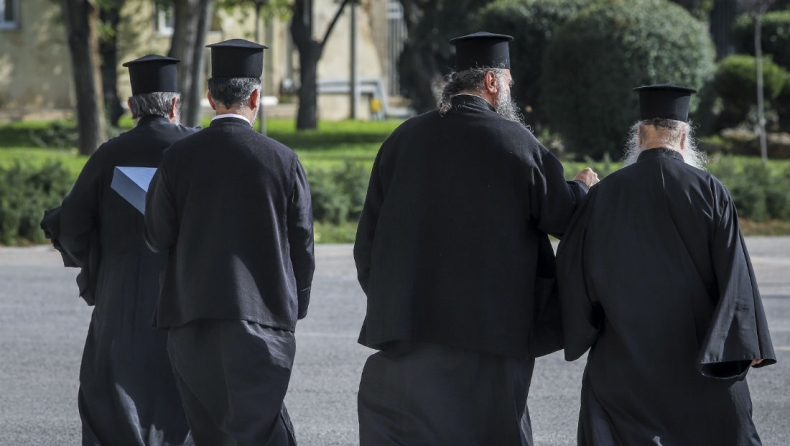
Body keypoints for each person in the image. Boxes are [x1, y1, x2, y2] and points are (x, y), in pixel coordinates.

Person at [353, 31, 599, 446]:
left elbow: (367, 243)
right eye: (508, 81)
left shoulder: (403, 139)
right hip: (493, 338)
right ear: (491, 81)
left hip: (412, 331)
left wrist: (392, 301)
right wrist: (583, 189)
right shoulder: (514, 141)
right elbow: (562, 216)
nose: (510, 91)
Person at [556, 84, 777, 446]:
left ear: (639, 137)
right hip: (697, 357)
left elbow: (575, 274)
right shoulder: (711, 190)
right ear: (685, 139)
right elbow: (736, 275)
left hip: (623, 359)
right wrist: (747, 342)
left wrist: (584, 327)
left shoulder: (604, 194)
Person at [144, 39, 315, 446]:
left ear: (210, 98)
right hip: (263, 318)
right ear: (255, 98)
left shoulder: (178, 157)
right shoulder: (283, 160)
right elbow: (302, 244)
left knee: (209, 432)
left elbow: (156, 236)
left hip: (191, 316)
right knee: (263, 431)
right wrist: (297, 304)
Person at [47, 54, 196, 445]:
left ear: (132, 107)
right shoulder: (196, 150)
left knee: (112, 396)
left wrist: (94, 262)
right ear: (175, 105)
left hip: (122, 298)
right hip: (186, 296)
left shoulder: (110, 155)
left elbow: (73, 227)